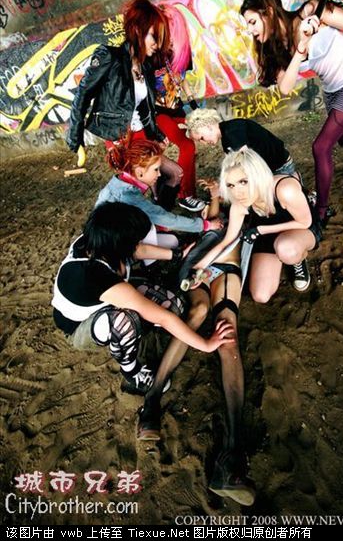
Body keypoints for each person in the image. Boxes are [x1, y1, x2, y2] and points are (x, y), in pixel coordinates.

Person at [52, 202, 235, 433]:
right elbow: (164, 318)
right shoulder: (95, 276)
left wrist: (177, 254)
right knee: (124, 321)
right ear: (120, 244)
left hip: (106, 296)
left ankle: (140, 331)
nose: (139, 243)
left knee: (173, 305)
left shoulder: (99, 241)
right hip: (80, 326)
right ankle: (132, 371)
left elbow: (138, 250)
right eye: (134, 240)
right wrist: (206, 345)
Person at [240, 0, 343, 226]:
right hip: (333, 88)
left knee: (321, 146)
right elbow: (285, 87)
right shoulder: (276, 48)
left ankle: (321, 210)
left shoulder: (312, 11)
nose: (250, 30)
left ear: (267, 12)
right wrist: (302, 45)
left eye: (252, 22)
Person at [137, 189, 255, 507]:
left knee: (228, 332)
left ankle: (233, 452)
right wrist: (213, 197)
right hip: (199, 272)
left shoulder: (245, 211)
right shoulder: (213, 215)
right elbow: (211, 217)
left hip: (226, 271)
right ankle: (151, 401)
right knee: (198, 312)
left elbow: (239, 230)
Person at [66, 0, 185, 212]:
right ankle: (133, 222)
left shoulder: (145, 66)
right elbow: (82, 95)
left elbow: (144, 107)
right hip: (121, 138)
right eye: (153, 36)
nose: (157, 44)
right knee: (143, 184)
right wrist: (75, 138)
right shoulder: (108, 57)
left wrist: (156, 134)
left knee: (173, 174)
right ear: (137, 30)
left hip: (142, 136)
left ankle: (160, 219)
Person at [193, 148, 321, 303]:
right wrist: (198, 267)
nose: (238, 192)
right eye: (231, 185)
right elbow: (226, 241)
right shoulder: (239, 203)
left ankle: (298, 260)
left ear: (257, 176)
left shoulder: (284, 188)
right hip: (265, 235)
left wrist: (261, 229)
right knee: (260, 295)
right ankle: (282, 255)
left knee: (287, 250)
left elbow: (305, 222)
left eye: (243, 182)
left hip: (298, 228)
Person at [95, 130, 223, 236]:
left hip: (114, 234)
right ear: (140, 172)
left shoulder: (119, 182)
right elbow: (168, 219)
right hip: (118, 244)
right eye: (156, 169)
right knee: (172, 241)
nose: (159, 174)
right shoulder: (130, 197)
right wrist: (206, 225)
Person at [154, 3, 205, 212]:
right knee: (184, 146)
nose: (171, 39)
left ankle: (182, 193)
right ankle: (184, 194)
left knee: (194, 140)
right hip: (157, 112)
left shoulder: (183, 50)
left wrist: (194, 105)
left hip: (177, 108)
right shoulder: (152, 55)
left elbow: (182, 80)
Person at [185, 108, 297, 177]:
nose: (204, 143)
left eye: (201, 138)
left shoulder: (232, 134)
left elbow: (247, 168)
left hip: (280, 169)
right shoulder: (228, 131)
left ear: (208, 126)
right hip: (272, 169)